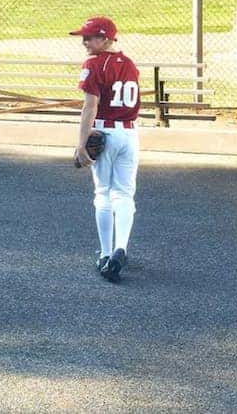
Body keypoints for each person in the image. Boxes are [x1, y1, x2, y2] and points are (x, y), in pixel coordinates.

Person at [71, 16, 140, 283]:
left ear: (105, 38)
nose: (84, 42)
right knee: (124, 193)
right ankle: (121, 247)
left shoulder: (93, 64)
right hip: (129, 134)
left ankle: (106, 253)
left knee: (103, 193)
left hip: (105, 132)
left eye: (90, 37)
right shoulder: (129, 63)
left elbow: (90, 106)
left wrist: (81, 143)